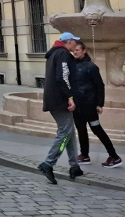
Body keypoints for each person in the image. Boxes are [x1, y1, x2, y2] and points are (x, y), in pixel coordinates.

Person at [39, 32, 83, 184]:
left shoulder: (53, 53)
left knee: (69, 132)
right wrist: (70, 97)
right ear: (69, 41)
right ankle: (48, 163)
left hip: (54, 98)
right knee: (65, 134)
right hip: (60, 100)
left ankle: (74, 166)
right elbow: (63, 77)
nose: (76, 44)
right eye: (74, 41)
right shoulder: (63, 54)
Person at [72, 41, 122, 168]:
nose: (74, 52)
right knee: (81, 130)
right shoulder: (73, 65)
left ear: (84, 51)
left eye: (77, 50)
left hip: (89, 106)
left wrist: (100, 104)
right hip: (77, 106)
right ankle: (84, 155)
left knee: (97, 129)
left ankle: (114, 156)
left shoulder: (91, 67)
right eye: (74, 50)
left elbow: (100, 86)